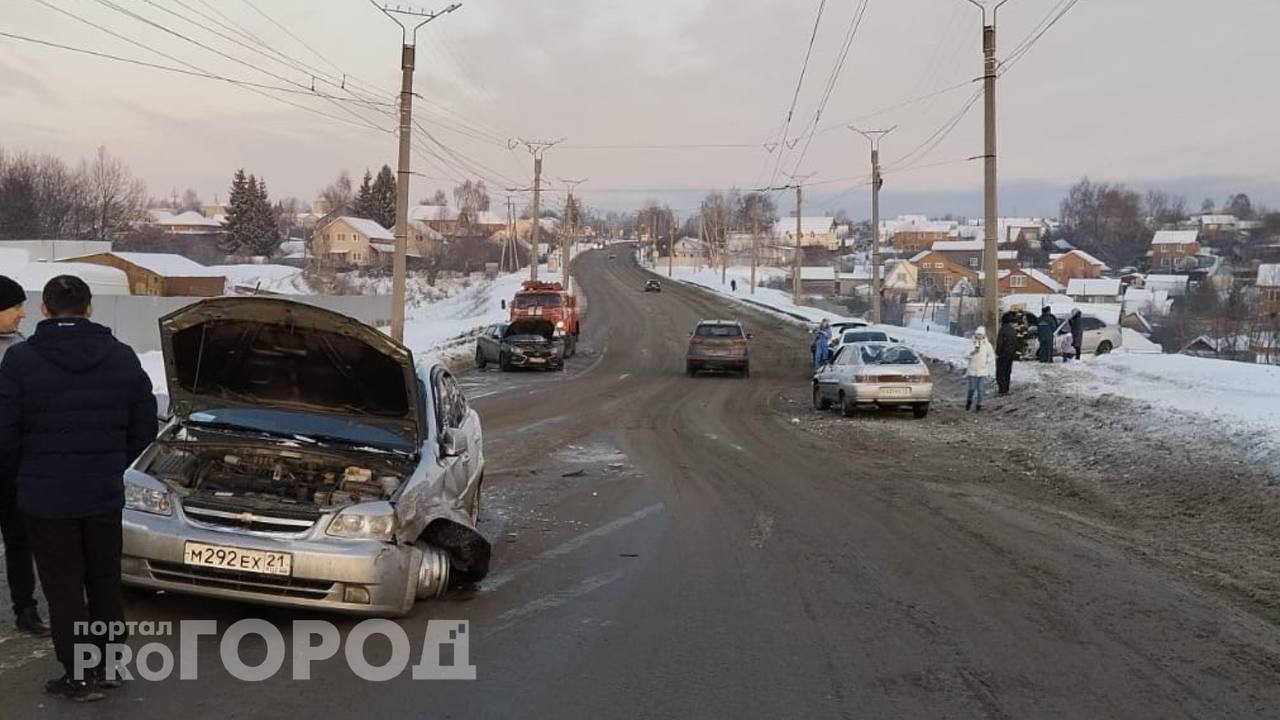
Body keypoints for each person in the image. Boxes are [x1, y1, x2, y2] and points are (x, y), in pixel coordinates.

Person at [0, 276, 157, 702]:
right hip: (102, 492)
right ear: (89, 308)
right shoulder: (122, 358)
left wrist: (23, 475)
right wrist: (111, 461)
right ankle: (108, 665)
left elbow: (6, 434)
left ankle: (78, 674)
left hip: (45, 498)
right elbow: (145, 425)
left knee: (63, 584)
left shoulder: (20, 361)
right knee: (104, 577)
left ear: (47, 311)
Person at [0, 276, 49, 638]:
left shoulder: (22, 348)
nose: (21, 313)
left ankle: (25, 609)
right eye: (15, 306)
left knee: (18, 539)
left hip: (14, 463)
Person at [966, 326, 995, 412]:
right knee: (972, 388)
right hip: (972, 370)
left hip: (982, 370)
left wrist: (987, 360)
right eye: (978, 334)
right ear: (976, 334)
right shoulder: (972, 344)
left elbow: (992, 356)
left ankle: (979, 405)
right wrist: (972, 353)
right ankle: (969, 400)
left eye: (981, 335)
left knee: (980, 389)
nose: (979, 336)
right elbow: (965, 355)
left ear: (984, 335)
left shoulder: (987, 345)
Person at [995, 312, 1017, 395]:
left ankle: (1002, 390)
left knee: (1001, 372)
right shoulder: (1012, 329)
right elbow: (1015, 342)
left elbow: (1000, 343)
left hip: (1003, 354)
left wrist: (997, 352)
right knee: (1008, 371)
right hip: (1010, 354)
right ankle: (1006, 388)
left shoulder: (1002, 330)